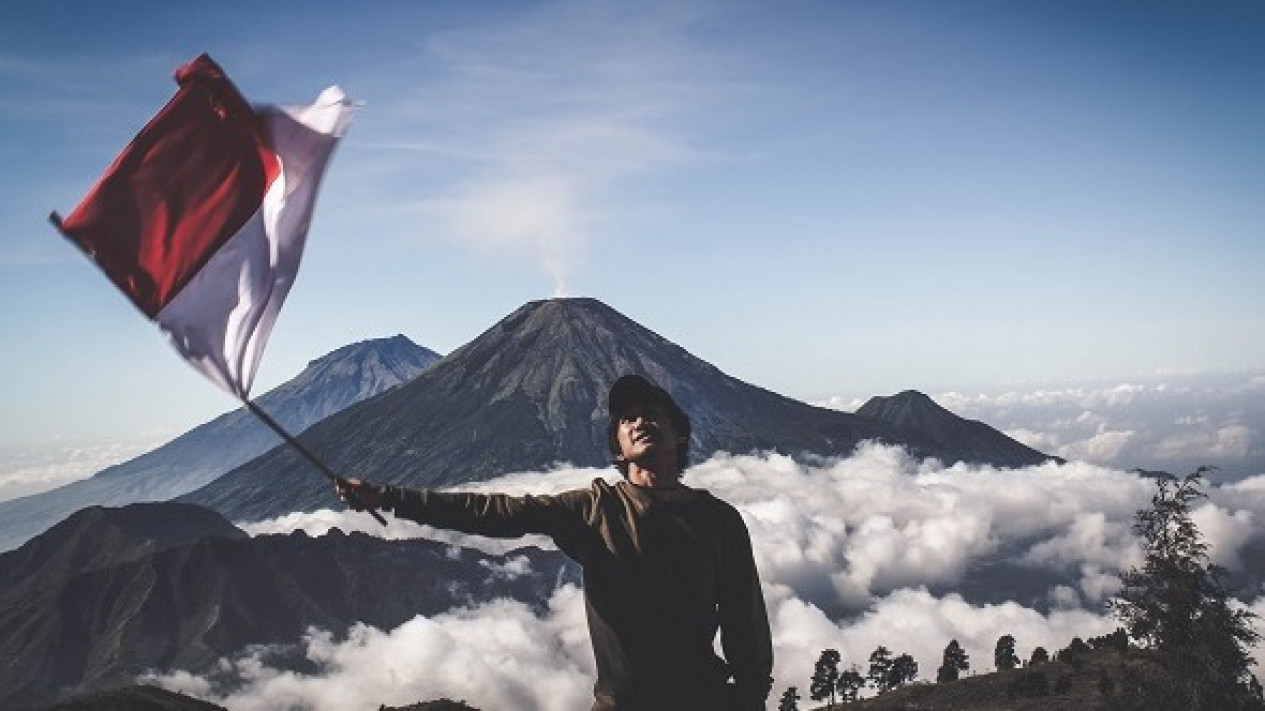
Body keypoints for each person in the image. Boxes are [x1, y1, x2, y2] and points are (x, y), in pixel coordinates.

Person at [337, 374, 774, 710]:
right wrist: (391, 498)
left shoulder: (719, 521)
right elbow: (496, 512)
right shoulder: (594, 510)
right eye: (627, 419)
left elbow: (745, 620)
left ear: (680, 436)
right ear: (618, 450)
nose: (640, 420)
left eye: (652, 412)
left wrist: (750, 698)